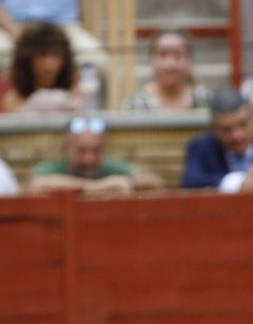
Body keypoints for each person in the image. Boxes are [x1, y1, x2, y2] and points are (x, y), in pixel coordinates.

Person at [29, 116, 164, 195]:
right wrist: (98, 186)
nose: (89, 158)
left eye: (96, 151)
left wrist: (129, 182)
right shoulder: (51, 169)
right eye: (81, 151)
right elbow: (36, 185)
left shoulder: (111, 167)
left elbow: (154, 182)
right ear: (65, 150)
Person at [123, 30, 214, 112]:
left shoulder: (207, 101)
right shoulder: (135, 105)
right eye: (163, 55)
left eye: (178, 55)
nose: (170, 64)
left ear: (189, 59)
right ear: (151, 59)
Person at [0, 19, 79, 113]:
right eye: (42, 54)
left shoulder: (75, 85)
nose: (49, 64)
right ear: (27, 58)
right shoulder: (8, 88)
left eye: (56, 54)